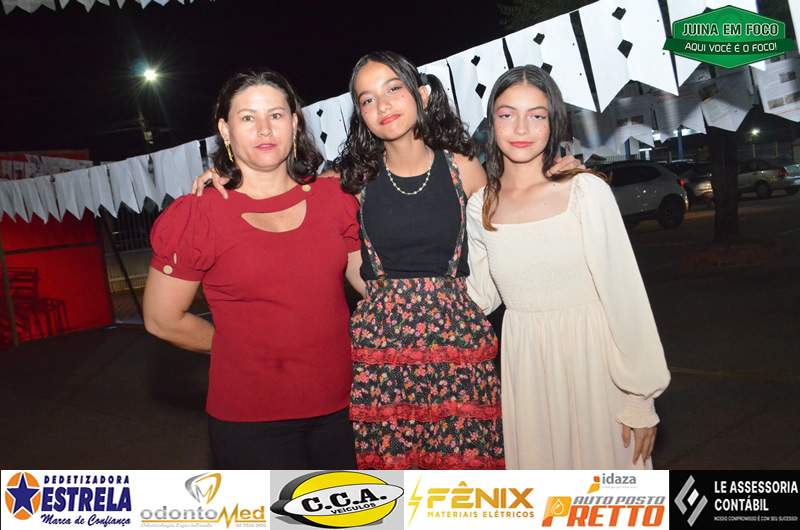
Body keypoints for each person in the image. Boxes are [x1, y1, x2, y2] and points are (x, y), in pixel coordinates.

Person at [143, 69, 365, 469]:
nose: (264, 129)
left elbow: (372, 286)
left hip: (345, 408)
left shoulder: (334, 199)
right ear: (225, 131)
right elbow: (162, 320)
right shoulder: (200, 214)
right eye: (248, 117)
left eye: (276, 115)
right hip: (251, 421)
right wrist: (238, 349)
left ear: (294, 123)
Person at [466, 65, 671, 469]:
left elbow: (624, 295)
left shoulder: (584, 191)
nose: (521, 128)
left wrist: (641, 396)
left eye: (536, 115)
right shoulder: (481, 205)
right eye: (507, 114)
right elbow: (479, 298)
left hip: (595, 364)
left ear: (553, 123)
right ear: (491, 123)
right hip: (527, 368)